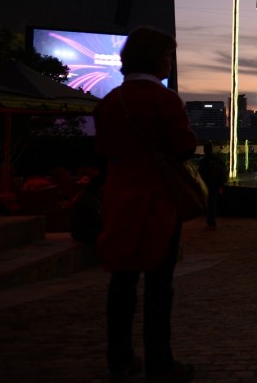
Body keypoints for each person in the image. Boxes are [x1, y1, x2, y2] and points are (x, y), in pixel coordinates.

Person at [93, 26, 196, 382]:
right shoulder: (166, 101)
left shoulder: (109, 102)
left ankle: (119, 359)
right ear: (156, 59)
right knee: (158, 285)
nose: (170, 62)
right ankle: (160, 362)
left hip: (119, 199)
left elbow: (104, 149)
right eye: (168, 56)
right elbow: (183, 147)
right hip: (157, 203)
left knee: (121, 284)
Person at [196, 142, 225, 230]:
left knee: (209, 202)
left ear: (205, 150)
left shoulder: (203, 161)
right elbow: (223, 172)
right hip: (215, 184)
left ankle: (211, 221)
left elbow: (200, 174)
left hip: (206, 184)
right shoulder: (217, 159)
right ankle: (211, 221)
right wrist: (220, 184)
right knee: (212, 202)